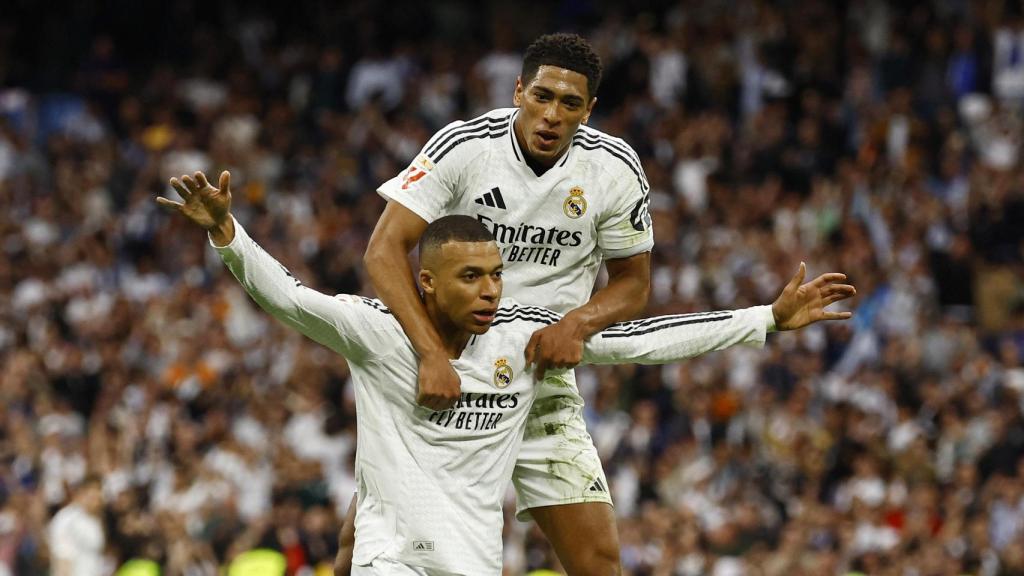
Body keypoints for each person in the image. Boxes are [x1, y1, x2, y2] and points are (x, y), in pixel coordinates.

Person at [157, 170, 855, 575]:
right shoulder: (377, 332)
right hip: (391, 562)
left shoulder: (524, 342)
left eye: (495, 275)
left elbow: (643, 340)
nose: (492, 290)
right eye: (471, 277)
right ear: (425, 284)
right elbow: (284, 293)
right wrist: (227, 232)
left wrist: (766, 318)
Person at [350, 32, 655, 575]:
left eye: (570, 104)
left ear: (589, 110)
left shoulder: (613, 169)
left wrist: (578, 323)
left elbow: (633, 282)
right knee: (365, 542)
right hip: (451, 364)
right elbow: (383, 251)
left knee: (600, 561)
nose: (552, 115)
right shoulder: (465, 148)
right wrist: (430, 353)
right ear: (518, 91)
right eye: (542, 96)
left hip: (539, 378)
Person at [47, 477, 110, 576]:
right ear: (83, 493)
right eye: (94, 492)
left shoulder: (95, 520)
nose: (99, 497)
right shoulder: (66, 518)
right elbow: (62, 558)